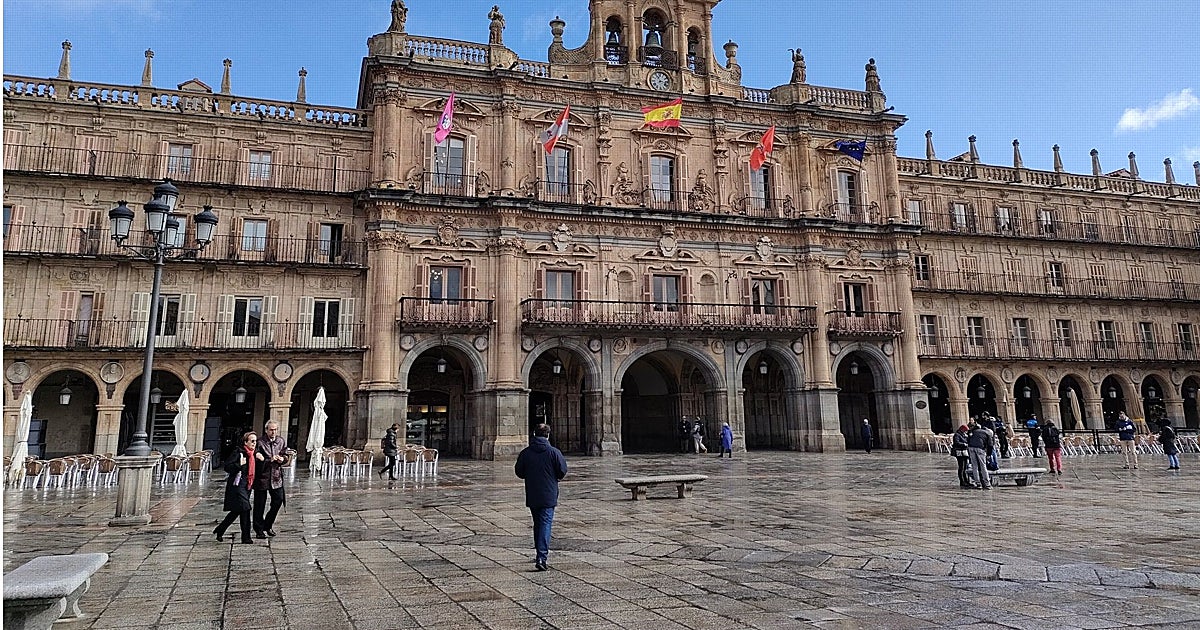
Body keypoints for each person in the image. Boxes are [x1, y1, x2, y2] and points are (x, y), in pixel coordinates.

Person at [514, 423, 567, 572]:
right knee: (545, 524)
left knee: (538, 523)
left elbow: (519, 472)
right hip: (549, 494)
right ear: (548, 435)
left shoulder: (526, 453)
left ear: (534, 434)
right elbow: (562, 471)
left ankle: (539, 552)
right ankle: (541, 557)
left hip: (532, 494)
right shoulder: (554, 452)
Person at [215, 431, 256, 544]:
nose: (254, 443)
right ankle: (246, 537)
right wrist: (239, 465)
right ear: (245, 442)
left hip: (247, 485)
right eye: (252, 441)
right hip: (237, 486)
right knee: (246, 509)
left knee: (237, 511)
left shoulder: (253, 454)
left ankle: (220, 529)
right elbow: (227, 467)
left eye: (255, 441)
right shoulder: (239, 453)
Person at [252, 421, 288, 539]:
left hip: (276, 477)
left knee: (278, 500)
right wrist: (269, 460)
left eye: (275, 430)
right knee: (259, 504)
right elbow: (257, 460)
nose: (273, 432)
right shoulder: (260, 443)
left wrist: (282, 459)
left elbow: (285, 455)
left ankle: (267, 525)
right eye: (271, 430)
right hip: (262, 477)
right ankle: (258, 529)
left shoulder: (281, 441)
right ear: (266, 430)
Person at [967, 421, 993, 489]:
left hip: (971, 447)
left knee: (974, 466)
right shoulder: (988, 434)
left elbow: (968, 439)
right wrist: (989, 454)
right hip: (980, 448)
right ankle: (987, 484)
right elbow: (990, 445)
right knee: (983, 466)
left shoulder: (974, 431)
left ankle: (978, 483)